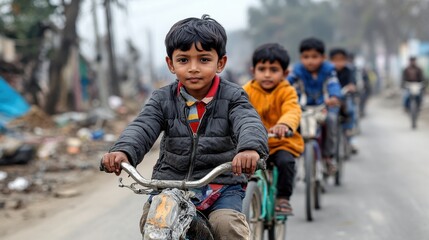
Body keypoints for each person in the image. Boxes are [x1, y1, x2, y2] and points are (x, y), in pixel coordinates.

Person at [100, 15, 269, 239]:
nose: (193, 68)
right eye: (183, 60)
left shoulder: (233, 96)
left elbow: (248, 121)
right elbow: (142, 126)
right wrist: (123, 151)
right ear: (170, 64)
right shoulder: (162, 99)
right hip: (170, 183)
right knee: (153, 222)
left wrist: (249, 149)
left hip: (221, 185)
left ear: (220, 63)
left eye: (204, 59)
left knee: (227, 226)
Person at [243, 43, 304, 215]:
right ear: (253, 70)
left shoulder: (287, 91)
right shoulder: (245, 91)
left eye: (274, 69)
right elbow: (236, 111)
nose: (267, 74)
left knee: (286, 162)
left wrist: (284, 124)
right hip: (253, 144)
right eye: (262, 69)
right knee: (237, 167)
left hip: (280, 143)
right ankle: (243, 199)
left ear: (285, 73)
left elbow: (292, 109)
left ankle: (283, 199)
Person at [287, 37, 342, 174]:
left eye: (314, 57)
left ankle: (328, 157)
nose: (310, 61)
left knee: (331, 120)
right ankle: (295, 153)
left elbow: (333, 83)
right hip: (302, 108)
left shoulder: (329, 70)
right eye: (306, 57)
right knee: (292, 123)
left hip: (324, 106)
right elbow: (286, 85)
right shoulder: (297, 71)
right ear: (301, 58)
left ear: (323, 57)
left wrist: (334, 96)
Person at [329, 48, 358, 153]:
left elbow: (352, 83)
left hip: (345, 97)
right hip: (332, 100)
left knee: (351, 109)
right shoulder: (329, 71)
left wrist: (351, 87)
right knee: (330, 117)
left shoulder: (349, 70)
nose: (338, 63)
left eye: (341, 60)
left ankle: (349, 130)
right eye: (335, 60)